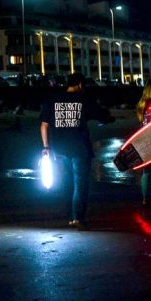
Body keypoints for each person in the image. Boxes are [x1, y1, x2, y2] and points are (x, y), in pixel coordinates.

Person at [40, 72, 115, 229]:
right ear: (80, 85)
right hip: (80, 148)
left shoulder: (53, 99)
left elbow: (44, 125)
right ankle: (78, 218)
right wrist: (108, 118)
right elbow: (101, 115)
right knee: (80, 183)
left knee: (67, 182)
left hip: (59, 148)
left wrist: (46, 147)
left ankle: (70, 216)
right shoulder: (83, 99)